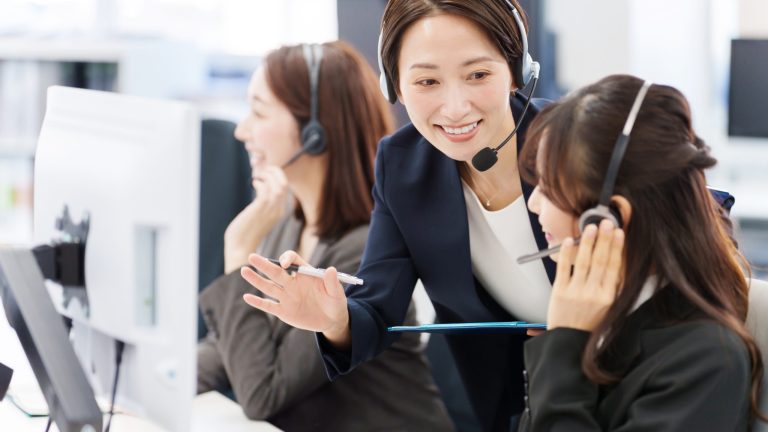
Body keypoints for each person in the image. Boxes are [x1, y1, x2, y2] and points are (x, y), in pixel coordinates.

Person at [241, 1, 556, 430]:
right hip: (524, 408)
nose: (455, 107)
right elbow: (377, 307)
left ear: (517, 70)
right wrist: (336, 319)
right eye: (427, 80)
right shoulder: (403, 166)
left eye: (478, 75)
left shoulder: (577, 145)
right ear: (397, 87)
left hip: (640, 386)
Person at [196, 41, 452, 431]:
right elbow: (236, 344)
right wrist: (160, 381)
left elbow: (262, 392)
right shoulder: (289, 225)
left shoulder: (365, 252)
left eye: (259, 112)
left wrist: (238, 252)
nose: (242, 131)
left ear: (315, 131)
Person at [517, 74, 767, 430]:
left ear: (608, 215)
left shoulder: (705, 359)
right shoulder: (603, 316)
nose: (534, 202)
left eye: (548, 187)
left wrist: (565, 347)